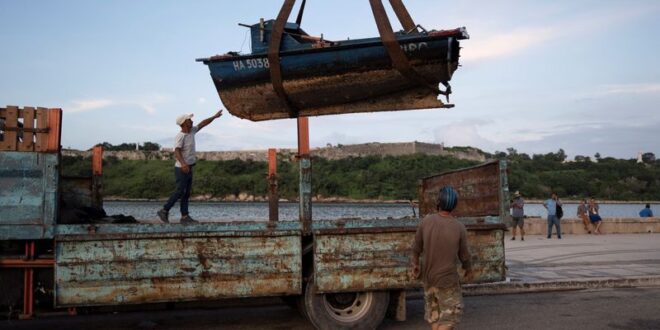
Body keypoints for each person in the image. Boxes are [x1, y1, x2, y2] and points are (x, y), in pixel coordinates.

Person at [412, 186, 472, 330]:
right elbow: (464, 255)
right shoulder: (459, 227)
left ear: (438, 202)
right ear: (454, 205)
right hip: (448, 281)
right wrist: (468, 269)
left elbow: (416, 248)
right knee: (449, 319)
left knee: (435, 317)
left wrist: (415, 265)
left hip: (428, 279)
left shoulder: (425, 222)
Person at [157, 110, 223, 224]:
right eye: (189, 120)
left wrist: (214, 116)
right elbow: (176, 151)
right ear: (184, 123)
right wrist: (183, 164)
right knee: (179, 191)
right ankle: (164, 210)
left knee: (186, 193)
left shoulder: (192, 131)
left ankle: (184, 216)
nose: (192, 121)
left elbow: (203, 123)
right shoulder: (180, 136)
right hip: (181, 168)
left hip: (189, 167)